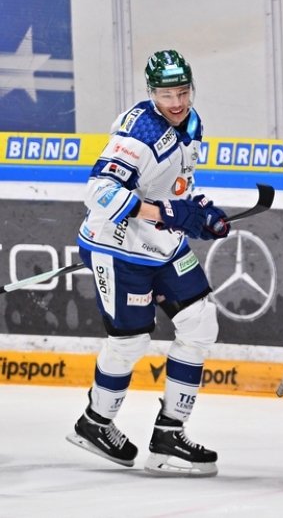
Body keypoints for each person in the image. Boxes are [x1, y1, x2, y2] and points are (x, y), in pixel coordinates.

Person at [67, 50, 230, 477]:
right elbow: (99, 193)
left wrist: (200, 210)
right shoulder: (137, 134)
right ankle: (95, 422)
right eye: (165, 94)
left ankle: (169, 435)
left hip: (162, 246)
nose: (175, 102)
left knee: (201, 324)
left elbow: (176, 186)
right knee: (130, 341)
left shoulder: (192, 123)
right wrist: (167, 214)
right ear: (150, 93)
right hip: (118, 248)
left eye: (182, 92)